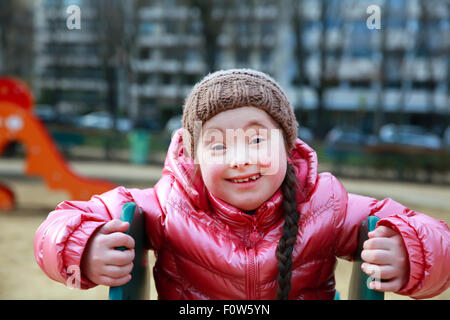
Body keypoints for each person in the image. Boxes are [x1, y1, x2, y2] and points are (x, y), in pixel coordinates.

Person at [34, 69, 449, 300]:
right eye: (218, 145)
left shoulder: (325, 202)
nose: (241, 157)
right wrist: (82, 247)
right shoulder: (169, 204)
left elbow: (439, 242)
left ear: (287, 147)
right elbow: (59, 226)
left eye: (256, 139)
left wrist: (410, 252)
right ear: (194, 157)